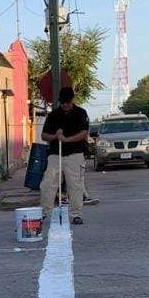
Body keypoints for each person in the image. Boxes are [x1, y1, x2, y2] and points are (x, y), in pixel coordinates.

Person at [39, 86, 89, 225]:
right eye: (63, 102)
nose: (65, 105)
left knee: (75, 185)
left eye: (67, 102)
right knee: (48, 183)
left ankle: (76, 214)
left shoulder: (80, 113)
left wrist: (67, 139)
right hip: (56, 154)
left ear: (72, 100)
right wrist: (56, 136)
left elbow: (84, 133)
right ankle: (44, 212)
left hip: (75, 154)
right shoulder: (54, 115)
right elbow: (44, 135)